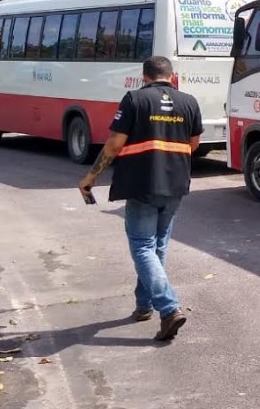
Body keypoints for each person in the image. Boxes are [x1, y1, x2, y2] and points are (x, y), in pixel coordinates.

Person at [78, 56, 203, 342]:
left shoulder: (134, 100)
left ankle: (169, 308)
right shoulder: (189, 101)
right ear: (171, 76)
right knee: (157, 247)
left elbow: (114, 144)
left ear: (144, 76)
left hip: (142, 184)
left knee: (143, 247)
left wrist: (91, 178)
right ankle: (144, 305)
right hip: (175, 185)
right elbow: (193, 144)